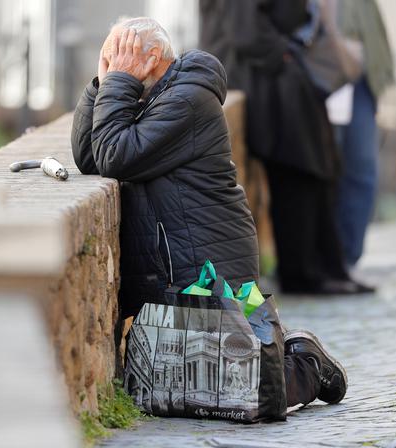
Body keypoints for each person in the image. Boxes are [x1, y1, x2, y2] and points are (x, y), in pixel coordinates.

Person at [71, 16, 346, 411]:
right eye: (111, 57)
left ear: (150, 58)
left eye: (123, 55)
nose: (116, 65)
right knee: (182, 392)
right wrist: (101, 85)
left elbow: (115, 156)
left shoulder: (187, 100)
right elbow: (89, 157)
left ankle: (305, 360)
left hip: (211, 270)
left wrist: (118, 84)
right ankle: (278, 353)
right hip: (177, 273)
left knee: (246, 396)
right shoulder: (147, 97)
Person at [199, 0, 373, 295]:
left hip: (279, 74)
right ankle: (303, 273)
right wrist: (284, 54)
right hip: (261, 76)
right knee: (297, 166)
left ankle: (329, 267)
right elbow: (246, 32)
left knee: (321, 164)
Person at [335, 0, 395, 267]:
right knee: (324, 167)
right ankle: (327, 257)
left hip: (361, 78)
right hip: (321, 67)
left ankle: (348, 256)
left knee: (362, 169)